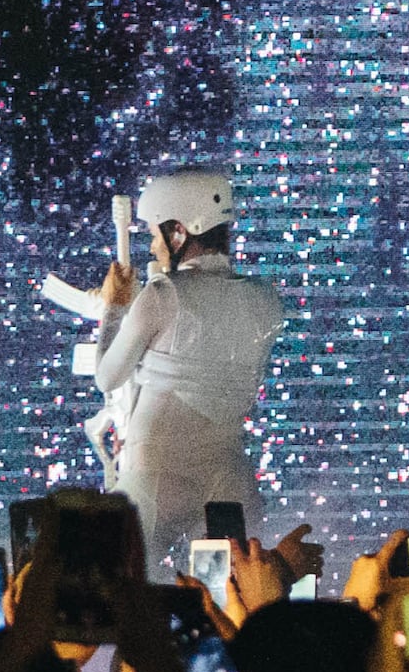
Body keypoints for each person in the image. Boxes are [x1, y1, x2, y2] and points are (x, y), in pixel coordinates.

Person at [68, 166, 287, 564]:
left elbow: (107, 375)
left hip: (155, 475)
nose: (153, 246)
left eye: (155, 234)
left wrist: (116, 306)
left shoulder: (164, 294)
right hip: (229, 476)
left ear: (180, 232)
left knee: (128, 586)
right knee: (230, 594)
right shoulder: (267, 299)